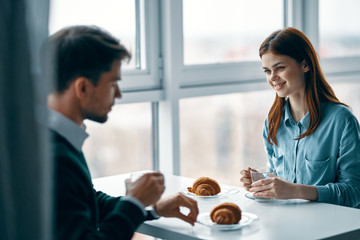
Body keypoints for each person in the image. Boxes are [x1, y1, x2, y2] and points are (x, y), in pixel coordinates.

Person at [42, 25, 198, 239]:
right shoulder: (53, 157)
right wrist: (133, 202)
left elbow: (86, 202)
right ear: (83, 88)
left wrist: (151, 209)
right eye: (113, 83)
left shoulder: (52, 139)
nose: (119, 94)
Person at [240, 27, 360, 208]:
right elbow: (278, 176)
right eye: (267, 70)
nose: (273, 77)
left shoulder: (341, 120)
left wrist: (295, 190)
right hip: (287, 224)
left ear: (305, 64)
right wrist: (263, 183)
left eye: (279, 67)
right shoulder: (272, 123)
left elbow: (354, 192)